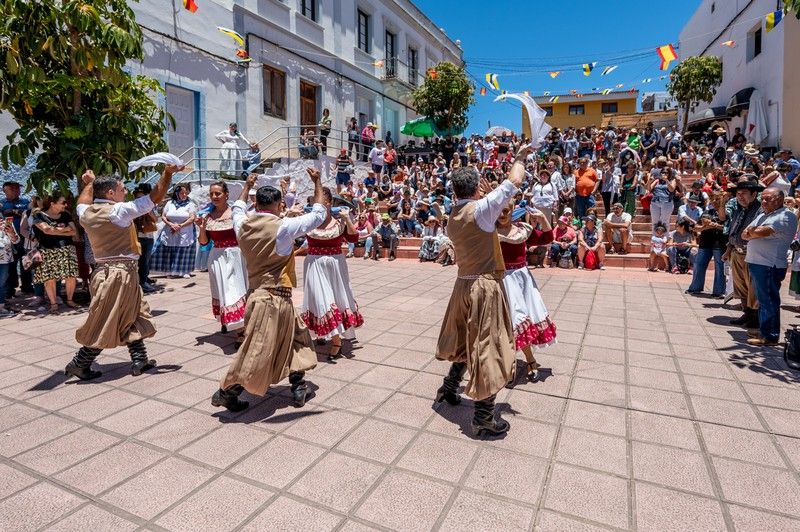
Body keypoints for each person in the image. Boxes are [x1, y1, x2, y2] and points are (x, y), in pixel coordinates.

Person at [212, 169, 327, 412]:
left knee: (297, 338)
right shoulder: (283, 227)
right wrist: (317, 182)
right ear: (279, 204)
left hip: (261, 295)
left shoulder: (242, 225)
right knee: (257, 350)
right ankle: (227, 391)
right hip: (273, 299)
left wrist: (246, 185)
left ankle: (298, 385)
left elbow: (238, 209)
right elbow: (318, 215)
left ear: (257, 203)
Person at [435, 147, 530, 438]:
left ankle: (450, 387)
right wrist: (521, 157)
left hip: (463, 283)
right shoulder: (481, 210)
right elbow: (514, 180)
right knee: (488, 346)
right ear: (476, 188)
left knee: (467, 340)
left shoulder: (453, 214)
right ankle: (484, 416)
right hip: (484, 286)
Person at [66, 164, 181, 381]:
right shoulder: (119, 211)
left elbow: (81, 201)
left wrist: (90, 183)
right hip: (120, 273)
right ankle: (79, 363)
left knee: (134, 312)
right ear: (110, 193)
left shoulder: (85, 212)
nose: (125, 191)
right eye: (121, 188)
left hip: (106, 271)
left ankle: (140, 359)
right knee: (106, 318)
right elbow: (155, 197)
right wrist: (167, 173)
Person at [497, 204, 556, 386]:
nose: (502, 215)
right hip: (500, 279)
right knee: (507, 324)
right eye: (498, 210)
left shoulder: (521, 230)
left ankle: (530, 360)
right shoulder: (489, 231)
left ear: (513, 210)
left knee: (522, 320)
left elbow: (547, 237)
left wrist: (543, 218)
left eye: (506, 211)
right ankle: (509, 362)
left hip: (522, 281)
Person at [302, 188, 362, 359]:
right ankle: (334, 339)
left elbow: (353, 239)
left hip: (335, 265)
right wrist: (290, 215)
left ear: (328, 203)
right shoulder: (308, 221)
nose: (315, 205)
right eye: (313, 202)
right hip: (314, 264)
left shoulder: (339, 221)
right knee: (320, 300)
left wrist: (347, 219)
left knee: (337, 298)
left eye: (318, 201)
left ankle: (332, 336)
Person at [743, 188, 798, 346]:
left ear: (780, 200)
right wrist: (751, 232)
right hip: (759, 263)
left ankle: (770, 336)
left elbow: (759, 233)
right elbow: (744, 234)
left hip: (769, 265)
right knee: (763, 299)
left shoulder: (785, 216)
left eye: (768, 199)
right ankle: (764, 329)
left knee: (768, 300)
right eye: (763, 198)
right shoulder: (763, 215)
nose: (764, 202)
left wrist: (752, 232)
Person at [196, 181, 248, 335]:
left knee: (234, 290)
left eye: (217, 193)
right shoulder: (207, 216)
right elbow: (204, 242)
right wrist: (201, 228)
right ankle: (227, 320)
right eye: (211, 194)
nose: (214, 196)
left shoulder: (235, 214)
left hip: (235, 256)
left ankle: (240, 329)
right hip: (217, 257)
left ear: (226, 195)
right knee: (221, 290)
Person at [723, 179, 764, 330]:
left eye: (744, 193)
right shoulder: (739, 209)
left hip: (751, 253)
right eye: (738, 194)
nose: (740, 196)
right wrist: (728, 249)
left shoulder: (760, 211)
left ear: (754, 194)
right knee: (741, 286)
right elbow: (734, 230)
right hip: (737, 252)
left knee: (753, 287)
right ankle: (747, 313)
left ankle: (755, 317)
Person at [32, 194, 80, 312]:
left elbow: (73, 232)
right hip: (47, 249)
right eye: (63, 202)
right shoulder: (39, 215)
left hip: (67, 248)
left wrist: (54, 230)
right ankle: (53, 304)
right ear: (52, 203)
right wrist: (64, 230)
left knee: (71, 276)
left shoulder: (65, 215)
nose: (66, 205)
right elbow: (46, 230)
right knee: (50, 278)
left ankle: (70, 300)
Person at [150, 184, 197, 279]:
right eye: (182, 193)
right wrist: (171, 225)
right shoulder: (169, 203)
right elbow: (163, 216)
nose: (184, 195)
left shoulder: (190, 204)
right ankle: (170, 270)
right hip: (170, 230)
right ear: (176, 193)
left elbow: (192, 218)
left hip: (185, 230)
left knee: (183, 251)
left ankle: (184, 271)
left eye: (186, 193)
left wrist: (180, 226)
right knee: (170, 251)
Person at [686, 195, 726, 296]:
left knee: (719, 267)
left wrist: (716, 226)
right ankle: (695, 287)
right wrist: (705, 227)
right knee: (699, 264)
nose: (714, 201)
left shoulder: (726, 213)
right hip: (705, 242)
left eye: (717, 199)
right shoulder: (707, 212)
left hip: (719, 243)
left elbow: (728, 228)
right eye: (713, 199)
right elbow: (695, 227)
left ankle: (718, 292)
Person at [2, 181, 33, 298]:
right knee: (11, 265)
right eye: (13, 189)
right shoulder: (1, 203)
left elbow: (29, 213)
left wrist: (14, 211)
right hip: (9, 240)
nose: (17, 191)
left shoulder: (25, 202)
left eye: (18, 189)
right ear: (6, 191)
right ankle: (10, 288)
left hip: (24, 238)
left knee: (26, 262)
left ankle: (27, 286)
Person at [132, 184, 158, 293]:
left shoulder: (150, 207)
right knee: (141, 261)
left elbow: (155, 219)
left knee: (146, 260)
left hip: (148, 237)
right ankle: (142, 283)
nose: (140, 200)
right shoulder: (132, 208)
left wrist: (147, 210)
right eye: (138, 198)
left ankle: (145, 278)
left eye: (142, 198)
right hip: (138, 238)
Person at [0, 218, 20, 317]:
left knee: (2, 284)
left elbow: (16, 241)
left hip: (5, 259)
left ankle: (1, 307)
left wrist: (11, 232)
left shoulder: (5, 223)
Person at [648, 167, 677, 231]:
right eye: (662, 172)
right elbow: (649, 189)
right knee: (655, 221)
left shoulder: (672, 180)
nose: (664, 174)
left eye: (666, 173)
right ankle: (655, 237)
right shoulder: (657, 181)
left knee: (665, 221)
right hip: (655, 202)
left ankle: (665, 237)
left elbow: (671, 189)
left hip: (667, 202)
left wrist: (666, 180)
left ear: (669, 174)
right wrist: (649, 182)